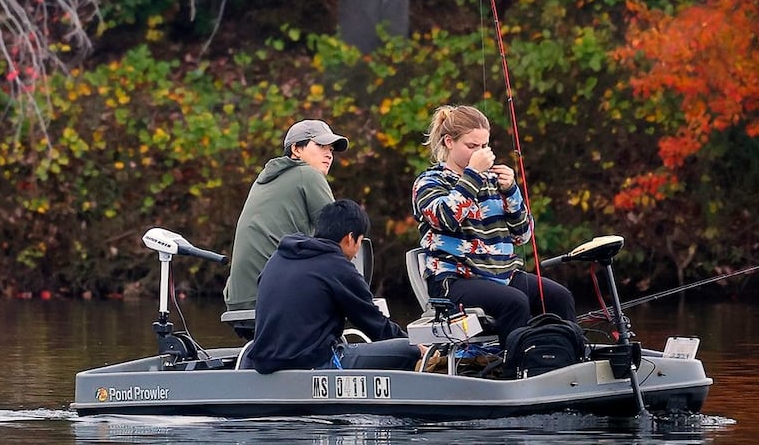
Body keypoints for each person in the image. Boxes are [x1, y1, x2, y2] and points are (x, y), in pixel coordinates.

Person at [411, 104, 577, 344]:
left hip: (502, 275)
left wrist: (511, 191)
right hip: (454, 281)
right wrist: (473, 175)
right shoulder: (429, 182)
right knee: (514, 301)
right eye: (471, 146)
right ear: (449, 142)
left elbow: (522, 235)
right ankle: (513, 367)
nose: (480, 153)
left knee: (559, 297)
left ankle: (565, 359)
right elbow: (445, 218)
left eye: (485, 146)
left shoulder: (493, 181)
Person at [245, 199, 420, 373]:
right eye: (359, 241)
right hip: (312, 365)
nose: (357, 251)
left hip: (264, 363)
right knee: (408, 349)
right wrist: (417, 347)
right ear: (350, 238)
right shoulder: (338, 266)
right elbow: (375, 324)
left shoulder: (278, 257)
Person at [223, 119, 348, 314]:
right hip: (275, 299)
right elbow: (338, 238)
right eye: (321, 146)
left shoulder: (264, 179)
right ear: (296, 149)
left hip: (238, 300)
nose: (329, 154)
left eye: (331, 150)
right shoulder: (308, 174)